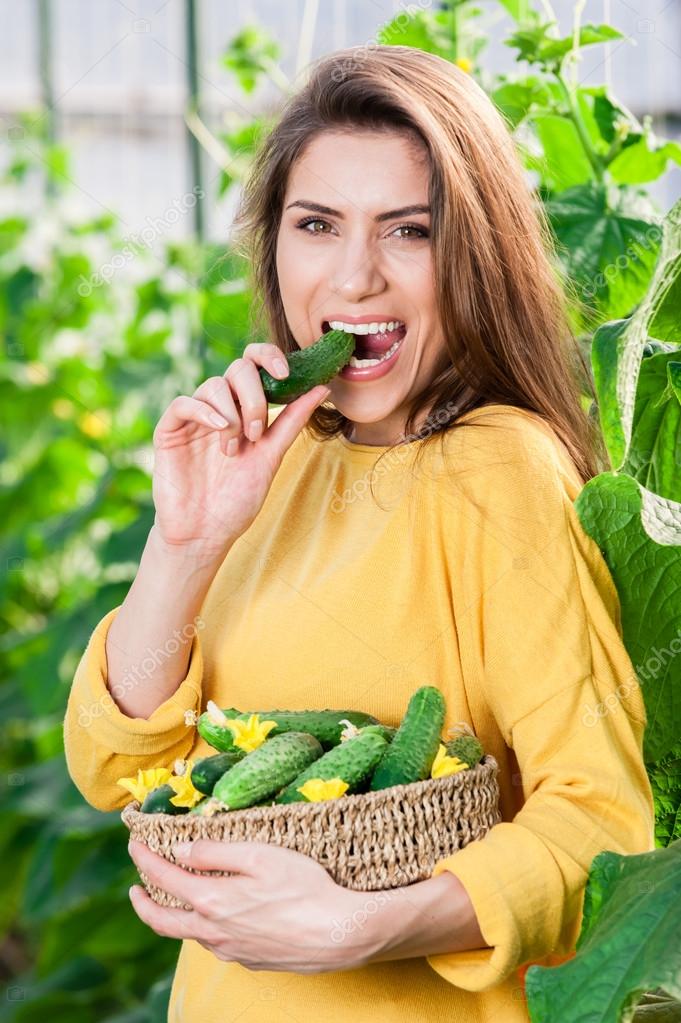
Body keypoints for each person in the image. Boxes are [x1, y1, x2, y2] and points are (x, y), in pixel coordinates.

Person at [63, 44, 655, 1023]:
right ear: (274, 246)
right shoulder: (274, 458)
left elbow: (600, 826)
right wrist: (187, 543)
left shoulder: (500, 472)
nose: (355, 275)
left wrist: (368, 925)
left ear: (475, 254)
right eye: (317, 224)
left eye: (408, 230)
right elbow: (118, 771)